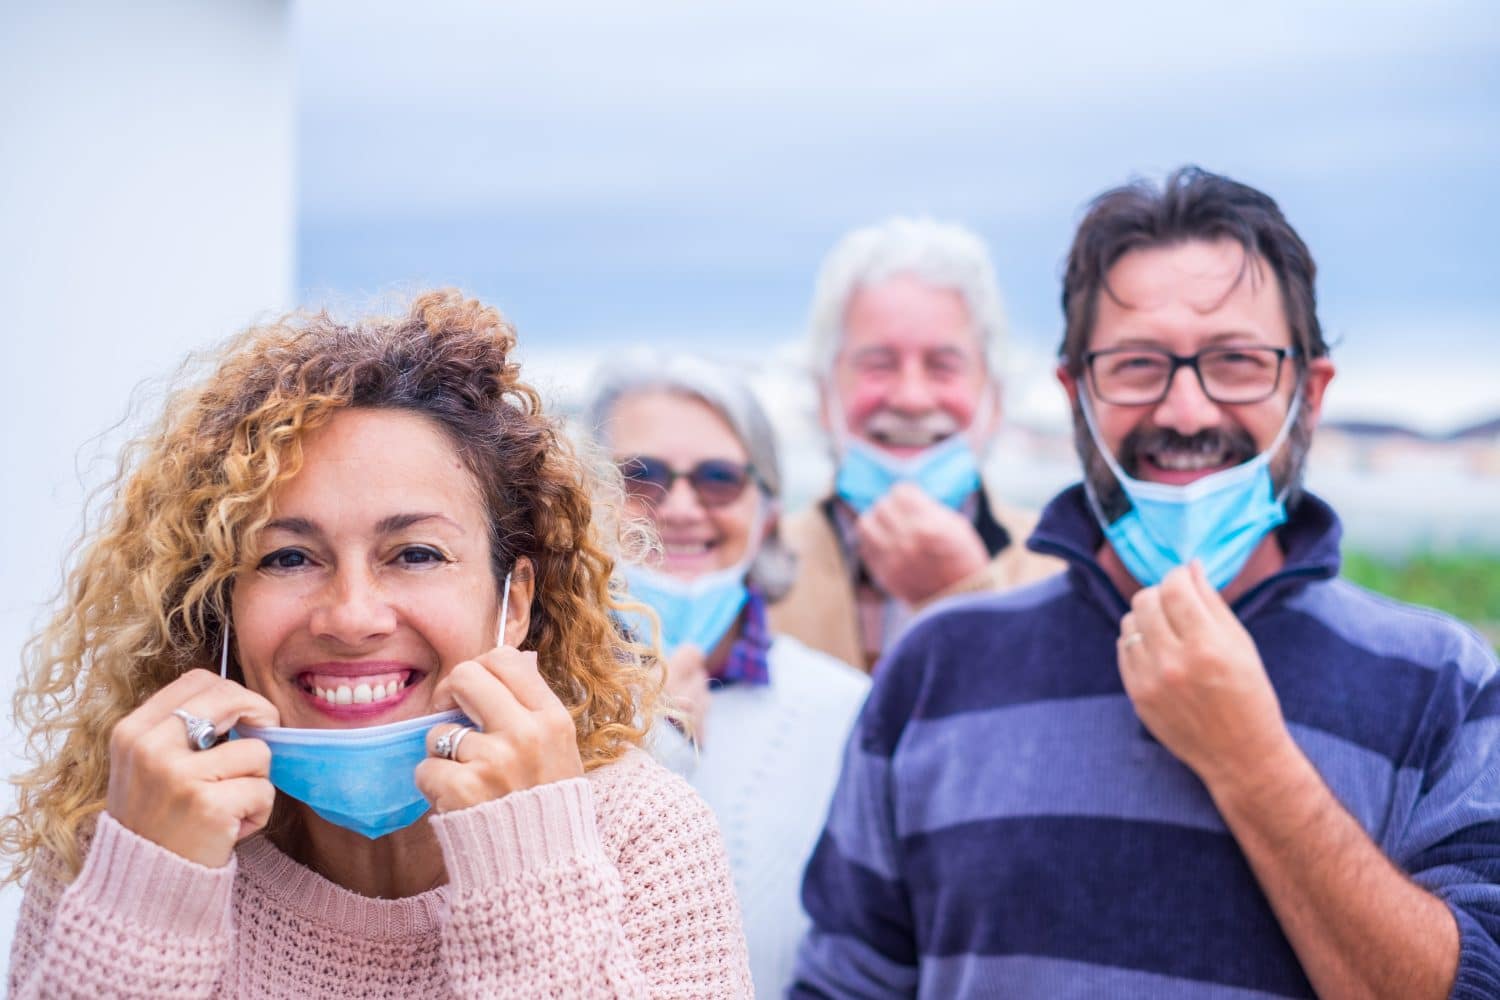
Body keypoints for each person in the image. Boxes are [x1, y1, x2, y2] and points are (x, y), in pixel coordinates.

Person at [793, 168, 1500, 998]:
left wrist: (1252, 763)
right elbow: (845, 983)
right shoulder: (937, 666)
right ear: (1075, 394)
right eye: (1136, 365)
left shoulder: (1444, 685)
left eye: (1236, 362)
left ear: (1309, 394)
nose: (1186, 410)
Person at [2, 291, 753, 998]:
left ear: (514, 603)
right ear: (217, 603)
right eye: (288, 558)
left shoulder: (640, 837)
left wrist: (531, 874)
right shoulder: (127, 827)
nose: (352, 616)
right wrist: (148, 892)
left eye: (416, 554)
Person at [584, 354, 869, 999]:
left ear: (768, 512)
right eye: (642, 477)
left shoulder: (851, 710)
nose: (682, 507)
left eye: (719, 479)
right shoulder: (528, 707)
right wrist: (638, 754)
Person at [770, 217, 1060, 670]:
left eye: (943, 366)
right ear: (824, 396)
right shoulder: (758, 573)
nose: (911, 398)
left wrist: (960, 595)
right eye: (878, 364)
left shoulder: (1063, 568)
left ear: (995, 400)